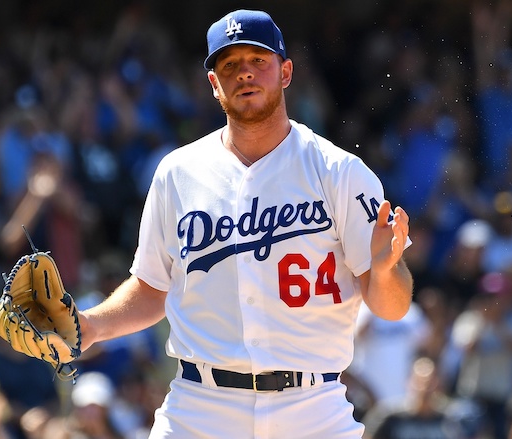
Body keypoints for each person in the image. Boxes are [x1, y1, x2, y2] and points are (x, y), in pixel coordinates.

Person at [77, 9, 413, 438]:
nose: (245, 74)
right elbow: (151, 287)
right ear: (214, 84)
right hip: (200, 408)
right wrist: (90, 326)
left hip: (310, 409)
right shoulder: (178, 174)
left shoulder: (339, 172)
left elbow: (392, 305)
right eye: (230, 65)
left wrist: (387, 270)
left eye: (259, 60)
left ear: (286, 72)